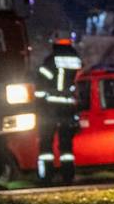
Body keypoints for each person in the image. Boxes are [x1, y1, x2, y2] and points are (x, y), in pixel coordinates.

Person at [35, 37, 83, 183]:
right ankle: (68, 176)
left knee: (45, 144)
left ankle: (46, 176)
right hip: (68, 109)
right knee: (66, 147)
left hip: (50, 110)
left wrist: (38, 102)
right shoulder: (77, 61)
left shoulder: (51, 61)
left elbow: (41, 83)